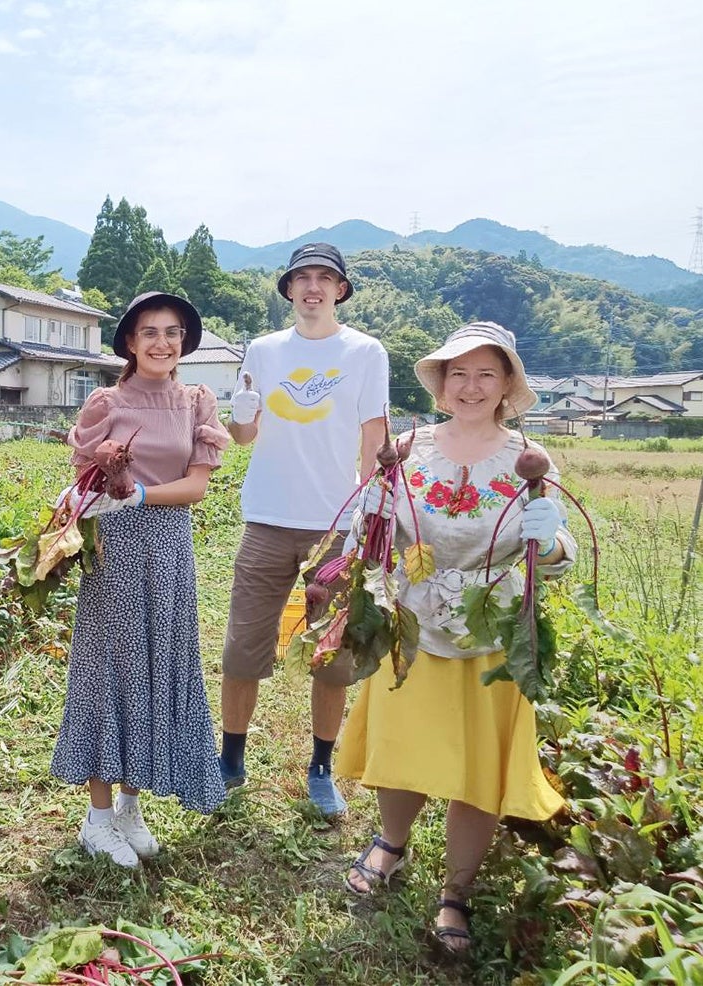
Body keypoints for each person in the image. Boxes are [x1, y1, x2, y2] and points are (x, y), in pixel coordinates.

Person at [335, 321, 573, 954]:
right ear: (441, 383)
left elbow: (560, 553)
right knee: (403, 741)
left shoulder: (529, 460)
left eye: (485, 374)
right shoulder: (409, 448)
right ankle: (391, 844)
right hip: (411, 621)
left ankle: (457, 891)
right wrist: (372, 520)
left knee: (478, 764)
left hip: (491, 629)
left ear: (506, 386)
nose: (470, 385)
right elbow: (374, 532)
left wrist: (547, 539)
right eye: (458, 373)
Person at [49, 291, 230, 868]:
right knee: (110, 671)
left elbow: (197, 487)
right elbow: (83, 476)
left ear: (185, 342)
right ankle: (97, 819)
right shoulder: (107, 401)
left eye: (173, 332)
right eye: (148, 332)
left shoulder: (196, 402)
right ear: (129, 341)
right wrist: (101, 488)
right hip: (115, 549)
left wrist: (141, 493)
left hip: (169, 547)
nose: (161, 342)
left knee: (159, 665)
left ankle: (130, 807)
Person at [218, 243, 390, 817]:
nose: (313, 287)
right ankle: (230, 758)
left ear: (341, 289)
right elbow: (244, 437)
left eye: (325, 278)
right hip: (267, 516)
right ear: (288, 289)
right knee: (244, 647)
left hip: (337, 524)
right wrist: (242, 411)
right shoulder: (264, 351)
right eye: (302, 278)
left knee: (333, 653)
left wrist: (371, 508)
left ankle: (321, 766)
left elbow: (374, 435)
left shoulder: (365, 352)